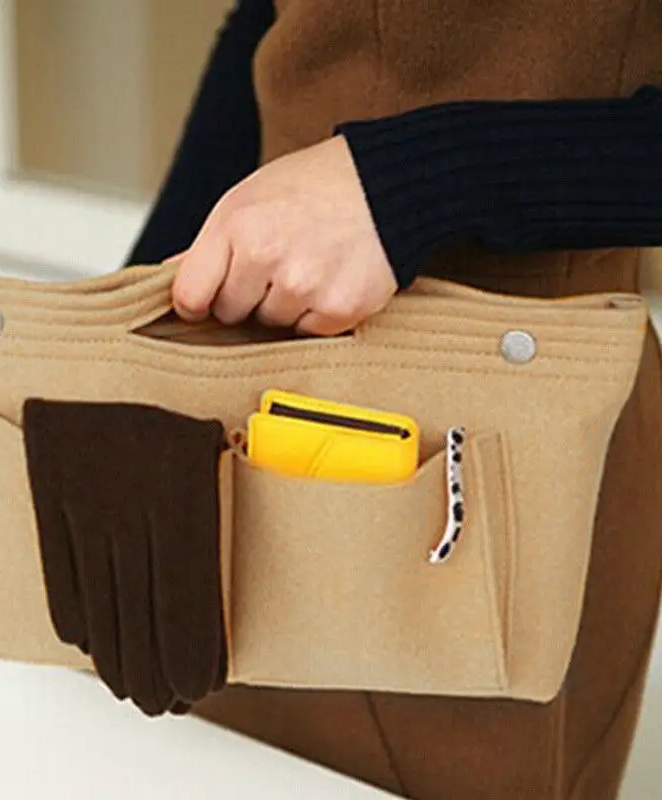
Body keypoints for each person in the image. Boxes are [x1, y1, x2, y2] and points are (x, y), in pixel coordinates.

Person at [127, 2, 662, 798]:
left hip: (511, 442)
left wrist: (413, 183)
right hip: (241, 391)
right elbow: (276, 20)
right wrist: (140, 329)